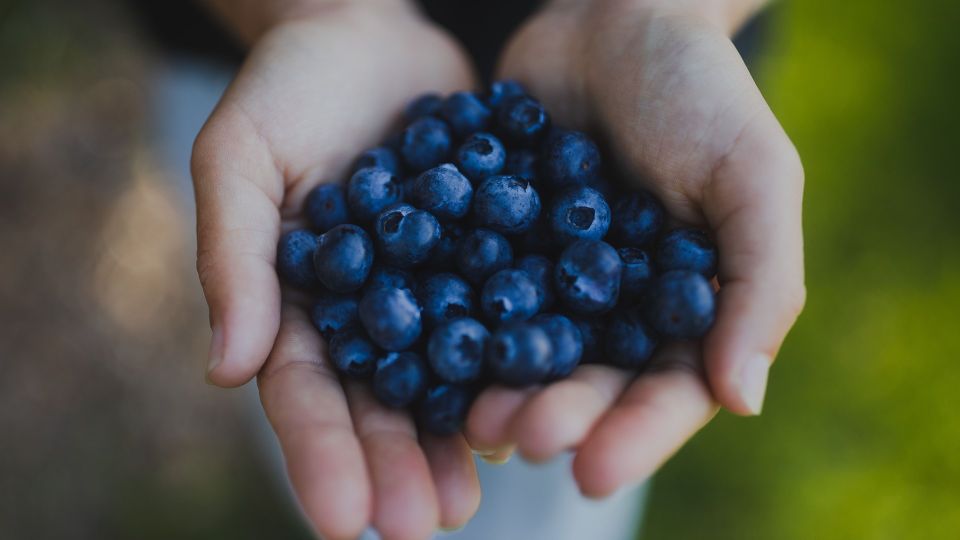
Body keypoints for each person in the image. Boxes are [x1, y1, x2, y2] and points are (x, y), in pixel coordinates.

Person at [190, 0, 806, 538]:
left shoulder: (565, 241)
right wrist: (311, 10)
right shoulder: (406, 226)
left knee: (550, 469)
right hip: (254, 54)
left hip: (617, 65)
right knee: (353, 462)